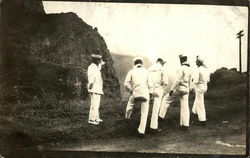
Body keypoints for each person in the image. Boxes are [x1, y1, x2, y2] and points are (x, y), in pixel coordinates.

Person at [159, 54, 192, 130]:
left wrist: (171, 90)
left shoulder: (181, 68)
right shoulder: (190, 68)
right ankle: (185, 125)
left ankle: (160, 117)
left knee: (166, 99)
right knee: (185, 107)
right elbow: (190, 80)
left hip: (180, 88)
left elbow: (177, 80)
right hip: (186, 89)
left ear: (181, 60)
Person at [124, 57, 150, 137]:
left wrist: (131, 90)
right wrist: (151, 94)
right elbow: (150, 84)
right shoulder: (146, 72)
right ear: (141, 64)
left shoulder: (131, 72)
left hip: (135, 93)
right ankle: (141, 132)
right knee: (144, 113)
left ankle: (127, 118)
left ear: (134, 64)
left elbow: (126, 84)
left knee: (130, 104)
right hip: (145, 93)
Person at [148, 58, 167, 133]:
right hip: (158, 89)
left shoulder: (150, 69)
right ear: (161, 63)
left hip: (150, 89)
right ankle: (153, 127)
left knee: (146, 109)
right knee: (156, 109)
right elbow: (166, 82)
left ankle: (143, 127)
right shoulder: (162, 69)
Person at [192, 55, 210, 126]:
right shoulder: (206, 69)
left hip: (199, 87)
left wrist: (192, 80)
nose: (195, 62)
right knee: (198, 100)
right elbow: (208, 80)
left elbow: (195, 81)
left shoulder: (198, 69)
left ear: (199, 62)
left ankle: (202, 120)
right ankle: (194, 112)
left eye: (196, 61)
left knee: (200, 103)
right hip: (205, 87)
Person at [87, 54, 105, 125]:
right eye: (99, 60)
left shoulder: (96, 67)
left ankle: (96, 117)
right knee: (94, 105)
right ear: (95, 60)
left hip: (97, 89)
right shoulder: (92, 67)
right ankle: (91, 119)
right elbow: (91, 78)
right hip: (94, 89)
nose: (100, 61)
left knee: (96, 104)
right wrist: (90, 87)